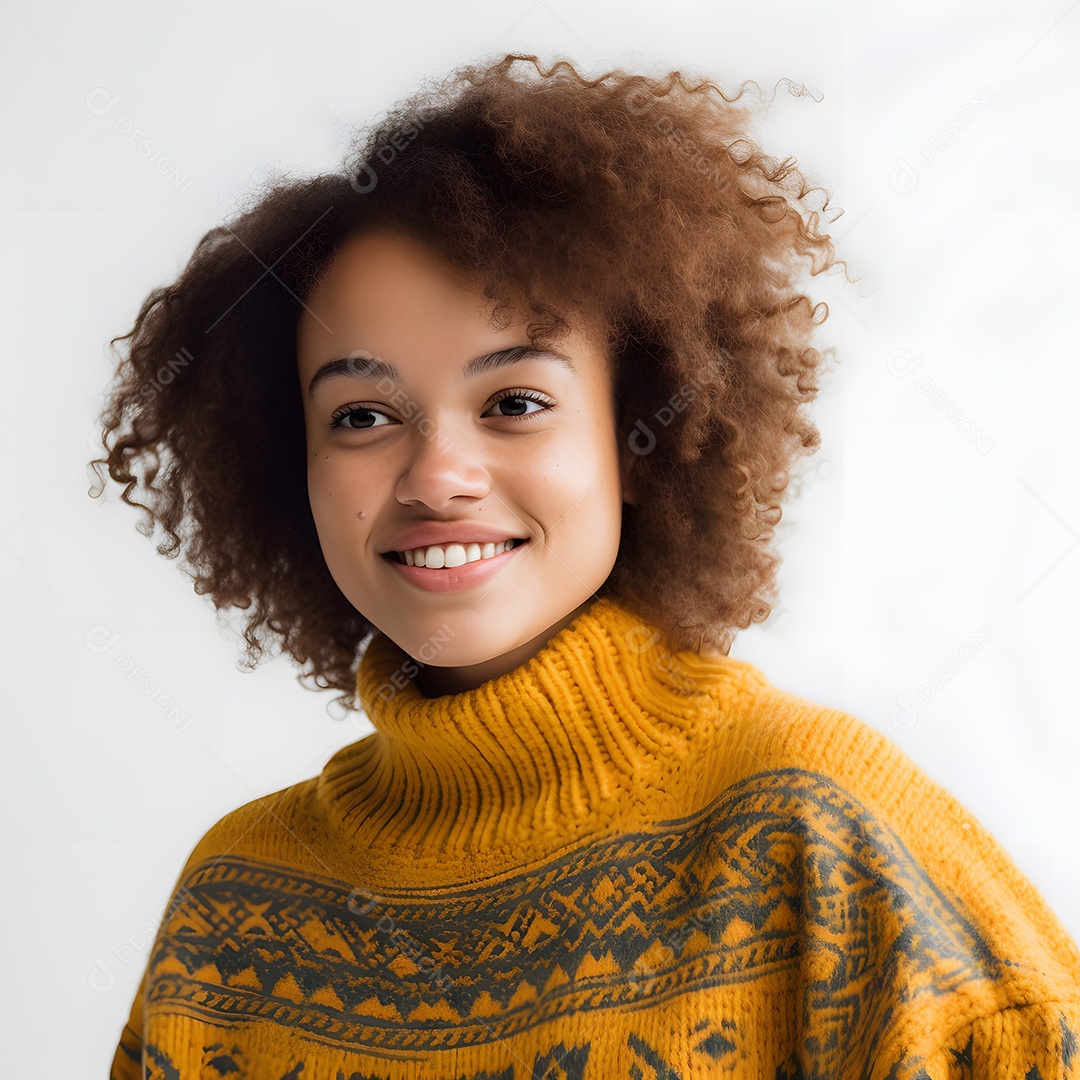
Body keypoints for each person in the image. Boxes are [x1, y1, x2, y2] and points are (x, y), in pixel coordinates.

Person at [91, 53, 1080, 1080]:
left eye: (514, 402)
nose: (437, 476)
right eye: (364, 416)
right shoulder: (236, 917)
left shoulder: (815, 829)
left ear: (640, 438)